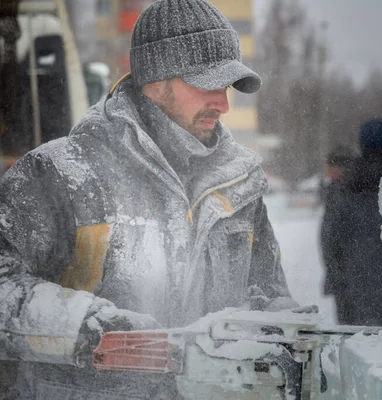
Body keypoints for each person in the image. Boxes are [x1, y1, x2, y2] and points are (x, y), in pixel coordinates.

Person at [0, 1, 302, 398]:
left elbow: (266, 294)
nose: (224, 104)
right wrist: (84, 328)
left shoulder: (240, 188)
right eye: (208, 83)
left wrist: (286, 336)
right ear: (157, 82)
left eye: (226, 87)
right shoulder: (61, 173)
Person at [320, 119, 382, 326]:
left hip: (354, 287)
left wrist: (338, 280)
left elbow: (330, 239)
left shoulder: (344, 185)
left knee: (360, 348)